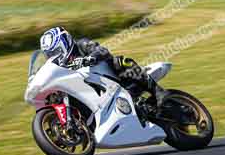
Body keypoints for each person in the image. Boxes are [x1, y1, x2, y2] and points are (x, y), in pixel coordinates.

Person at [39, 26, 168, 106]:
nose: (54, 56)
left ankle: (157, 91)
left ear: (65, 43)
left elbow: (102, 51)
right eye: (49, 55)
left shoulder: (82, 44)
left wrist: (89, 58)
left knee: (120, 62)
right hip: (94, 93)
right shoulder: (61, 67)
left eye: (55, 52)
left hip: (114, 78)